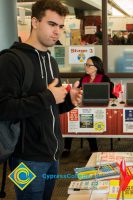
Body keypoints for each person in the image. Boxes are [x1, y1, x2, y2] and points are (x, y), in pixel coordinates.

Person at [0, 0, 82, 199]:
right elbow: (3, 108)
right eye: (52, 24)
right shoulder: (10, 60)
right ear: (35, 22)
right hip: (24, 159)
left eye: (61, 26)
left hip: (52, 155)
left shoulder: (50, 60)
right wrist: (48, 96)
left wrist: (68, 100)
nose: (57, 32)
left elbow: (49, 108)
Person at [62, 56, 116, 157]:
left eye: (88, 65)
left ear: (96, 67)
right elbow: (76, 93)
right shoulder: (83, 78)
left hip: (98, 109)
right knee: (71, 119)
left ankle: (94, 150)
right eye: (85, 65)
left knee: (88, 123)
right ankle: (66, 147)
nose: (86, 67)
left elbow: (108, 94)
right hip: (83, 106)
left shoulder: (104, 78)